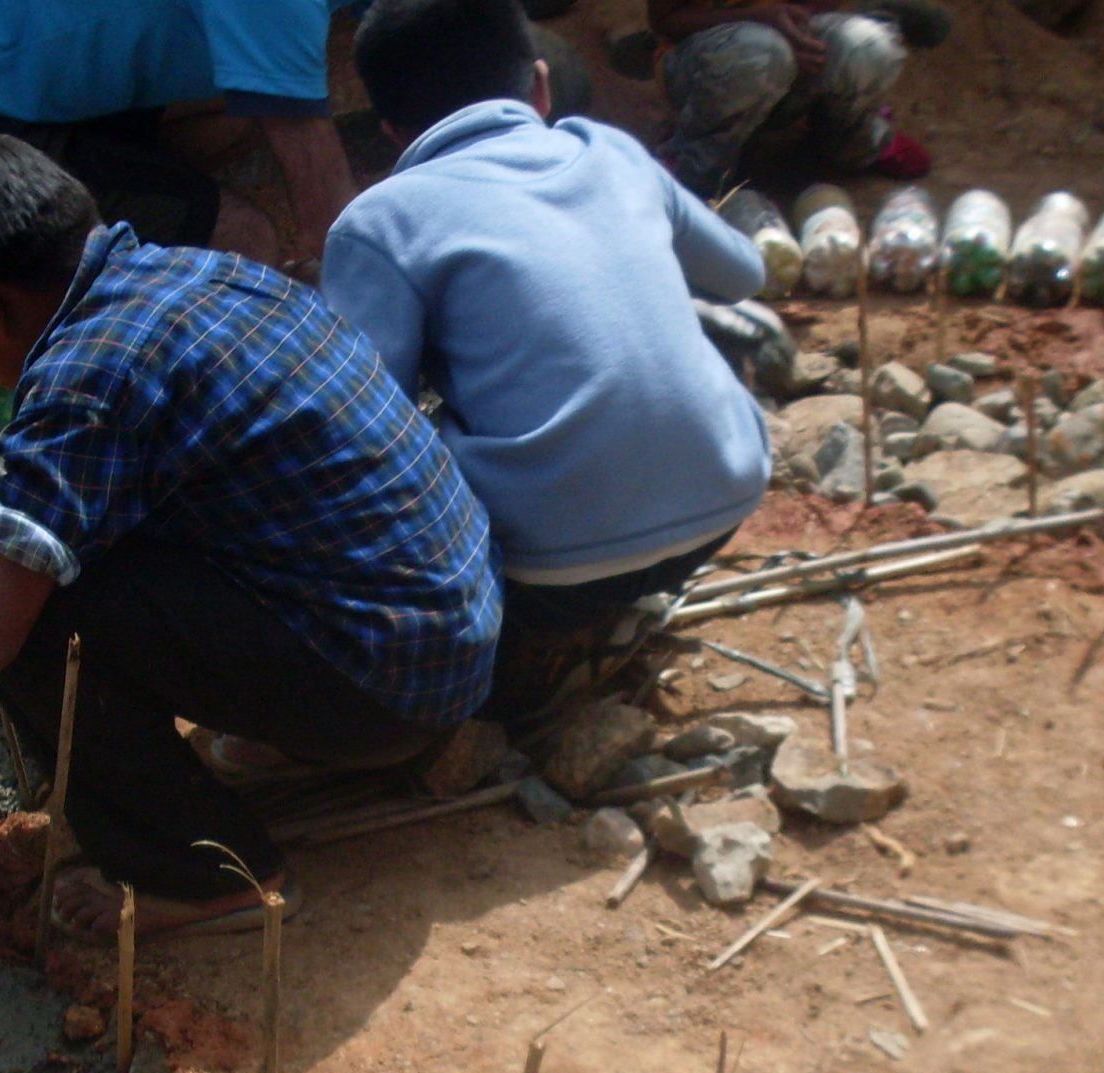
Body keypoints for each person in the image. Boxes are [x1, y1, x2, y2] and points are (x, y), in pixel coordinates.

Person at [0, 133, 500, 938]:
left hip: (386, 688)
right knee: (73, 546)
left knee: (35, 616)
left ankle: (210, 876)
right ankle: (288, 743)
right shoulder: (198, 273)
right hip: (446, 641)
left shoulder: (90, 375)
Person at [323, 0, 771, 717]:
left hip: (552, 570)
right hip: (723, 503)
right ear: (539, 86)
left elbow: (358, 425)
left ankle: (523, 657)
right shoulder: (612, 151)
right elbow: (743, 277)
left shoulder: (380, 221)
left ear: (389, 130)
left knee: (401, 434)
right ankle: (624, 597)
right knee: (707, 325)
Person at [0, 0, 362, 264]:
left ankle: (128, 236)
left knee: (248, 107)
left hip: (13, 84)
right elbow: (332, 231)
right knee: (243, 242)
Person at [647, 0, 935, 196]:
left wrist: (799, 28)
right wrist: (762, 20)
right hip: (707, 60)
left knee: (867, 49)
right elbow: (667, 21)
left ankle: (850, 141)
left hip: (781, 44)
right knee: (760, 54)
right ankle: (697, 167)